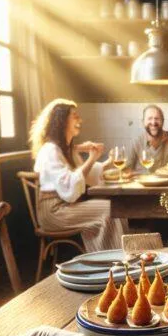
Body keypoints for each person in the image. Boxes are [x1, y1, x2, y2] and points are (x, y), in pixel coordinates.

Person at [30, 98, 128, 252]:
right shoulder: (50, 150)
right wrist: (91, 158)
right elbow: (70, 187)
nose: (80, 120)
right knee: (110, 209)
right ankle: (110, 261)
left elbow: (83, 175)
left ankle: (117, 257)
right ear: (61, 121)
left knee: (115, 207)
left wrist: (106, 162)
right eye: (74, 116)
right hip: (53, 212)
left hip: (66, 206)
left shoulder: (65, 150)